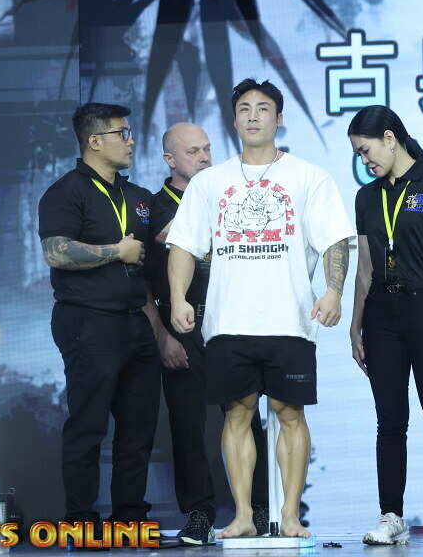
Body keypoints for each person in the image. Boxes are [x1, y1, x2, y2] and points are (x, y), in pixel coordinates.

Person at [166, 78, 355, 539]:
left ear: (279, 118)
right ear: (234, 120)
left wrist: (333, 292)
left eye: (263, 108)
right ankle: (244, 516)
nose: (253, 116)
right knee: (237, 414)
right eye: (245, 108)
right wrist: (177, 298)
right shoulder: (209, 182)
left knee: (290, 414)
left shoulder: (309, 177)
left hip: (289, 319)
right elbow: (184, 245)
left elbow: (334, 240)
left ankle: (289, 515)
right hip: (228, 321)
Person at [38, 103, 161, 545]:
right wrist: (116, 251)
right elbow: (55, 252)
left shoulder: (138, 196)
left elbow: (166, 243)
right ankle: (82, 522)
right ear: (94, 141)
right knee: (88, 426)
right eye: (122, 133)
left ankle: (130, 521)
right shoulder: (66, 192)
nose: (131, 141)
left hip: (135, 322)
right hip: (87, 321)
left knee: (138, 429)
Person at [348, 105, 423, 546]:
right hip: (382, 312)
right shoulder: (366, 196)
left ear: (390, 137)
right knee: (389, 420)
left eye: (366, 150)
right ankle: (391, 516)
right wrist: (356, 325)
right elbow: (364, 267)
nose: (365, 161)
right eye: (358, 155)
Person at [146, 123, 270, 544]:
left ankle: (258, 509)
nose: (203, 157)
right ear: (169, 159)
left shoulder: (231, 195)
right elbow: (147, 278)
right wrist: (163, 336)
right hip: (183, 326)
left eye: (207, 149)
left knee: (247, 416)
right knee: (188, 425)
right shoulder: (155, 208)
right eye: (193, 151)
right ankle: (199, 514)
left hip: (233, 322)